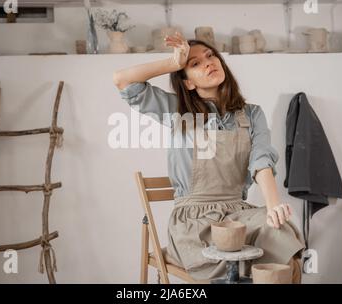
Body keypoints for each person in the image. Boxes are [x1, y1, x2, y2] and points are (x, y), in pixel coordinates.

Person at [113, 32, 305, 283]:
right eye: (195, 64)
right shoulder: (177, 112)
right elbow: (122, 81)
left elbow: (261, 160)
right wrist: (173, 64)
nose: (208, 62)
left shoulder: (251, 114)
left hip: (238, 216)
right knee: (249, 260)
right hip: (194, 225)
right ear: (188, 83)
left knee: (282, 231)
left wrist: (273, 206)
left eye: (210, 55)